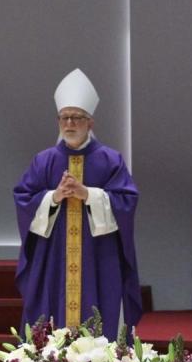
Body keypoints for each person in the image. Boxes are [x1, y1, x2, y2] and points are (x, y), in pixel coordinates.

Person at [14, 69, 141, 331]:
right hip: (55, 257)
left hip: (98, 255)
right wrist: (54, 197)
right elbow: (23, 198)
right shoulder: (44, 161)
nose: (70, 124)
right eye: (64, 118)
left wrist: (88, 195)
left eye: (77, 118)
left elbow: (127, 201)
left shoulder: (110, 160)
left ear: (90, 123)